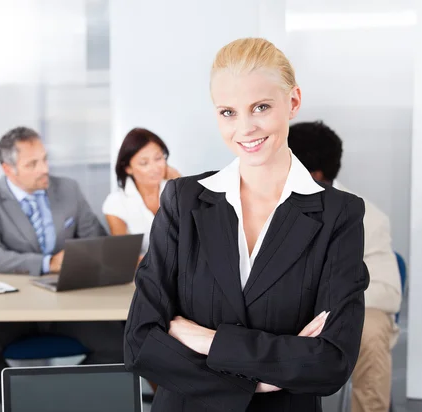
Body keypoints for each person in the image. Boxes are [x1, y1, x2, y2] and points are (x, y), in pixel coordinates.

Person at [123, 38, 369, 412]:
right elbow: (140, 341)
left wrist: (207, 340)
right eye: (228, 112)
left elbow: (330, 361)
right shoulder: (181, 200)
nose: (245, 128)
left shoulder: (339, 214)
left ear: (294, 101)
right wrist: (261, 380)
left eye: (261, 107)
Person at [0, 126, 125, 403]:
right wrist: (47, 263)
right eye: (33, 164)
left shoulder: (68, 189)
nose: (44, 168)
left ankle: (53, 403)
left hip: (69, 303)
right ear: (8, 169)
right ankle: (28, 404)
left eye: (45, 159)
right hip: (13, 308)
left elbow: (96, 239)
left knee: (122, 346)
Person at [289, 120, 402, 412]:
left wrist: (324, 304)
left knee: (374, 326)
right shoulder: (256, 202)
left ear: (314, 175)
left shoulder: (368, 217)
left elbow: (388, 293)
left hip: (336, 314)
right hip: (276, 311)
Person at [103, 128, 181, 260]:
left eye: (158, 158)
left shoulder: (177, 190)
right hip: (144, 276)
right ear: (128, 168)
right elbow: (125, 257)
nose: (155, 168)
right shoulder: (115, 203)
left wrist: (181, 182)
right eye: (144, 163)